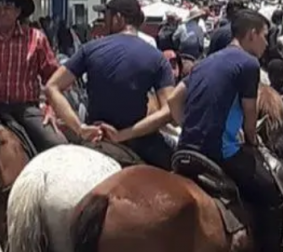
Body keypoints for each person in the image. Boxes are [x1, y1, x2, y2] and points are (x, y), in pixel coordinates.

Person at [168, 9, 283, 252]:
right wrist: (251, 140)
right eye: (264, 37)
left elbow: (174, 101)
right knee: (274, 194)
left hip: (185, 147)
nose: (266, 44)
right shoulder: (248, 65)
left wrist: (188, 124)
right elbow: (250, 116)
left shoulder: (205, 62)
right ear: (251, 35)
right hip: (220, 152)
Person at [45, 0, 175, 168]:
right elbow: (169, 110)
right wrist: (123, 135)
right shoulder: (157, 58)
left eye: (105, 16)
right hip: (139, 141)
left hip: (94, 136)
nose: (103, 21)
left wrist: (80, 128)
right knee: (178, 169)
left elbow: (51, 87)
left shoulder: (90, 49)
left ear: (118, 18)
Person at [0, 0, 66, 152]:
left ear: (18, 12)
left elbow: (54, 78)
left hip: (25, 109)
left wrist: (51, 109)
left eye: (7, 6)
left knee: (57, 145)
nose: (2, 11)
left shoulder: (36, 38)